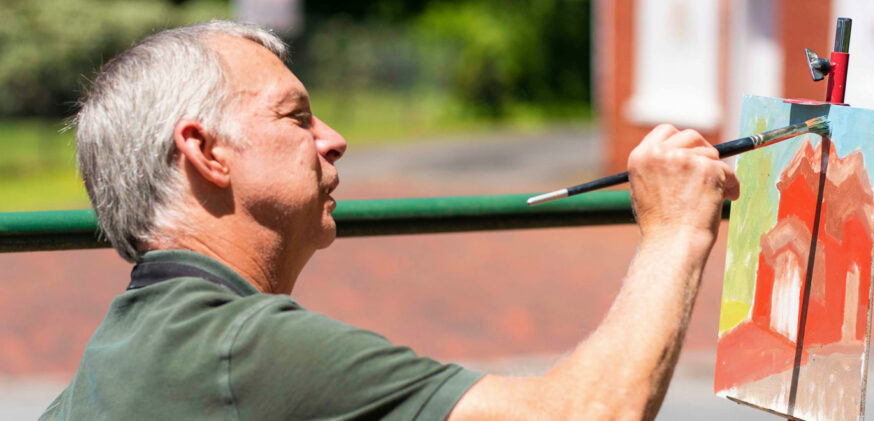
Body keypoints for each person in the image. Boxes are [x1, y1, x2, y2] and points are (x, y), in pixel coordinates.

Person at [42, 20, 739, 420]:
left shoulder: (105, 366)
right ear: (206, 151)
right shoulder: (241, 347)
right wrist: (676, 230)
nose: (334, 138)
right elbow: (590, 414)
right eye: (297, 116)